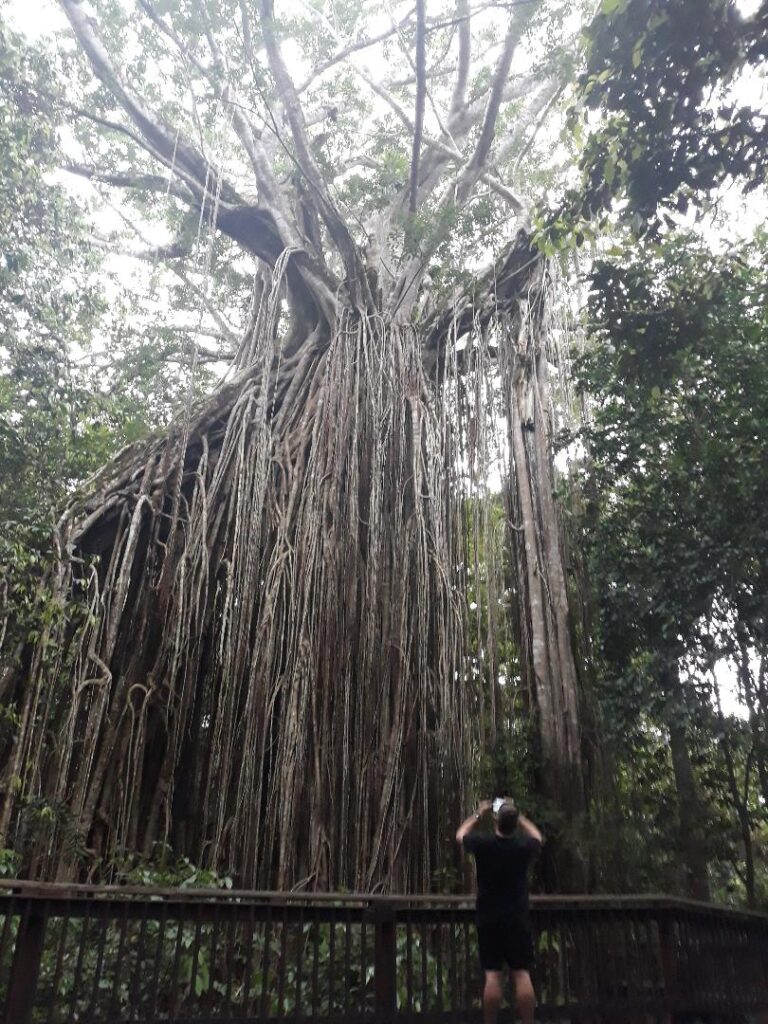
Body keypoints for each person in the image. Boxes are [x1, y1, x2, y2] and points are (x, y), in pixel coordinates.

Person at [456, 798, 542, 1024]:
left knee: (492, 976)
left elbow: (460, 834)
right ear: (514, 823)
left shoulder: (484, 845)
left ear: (495, 821)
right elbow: (537, 837)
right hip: (517, 919)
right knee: (522, 973)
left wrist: (478, 813)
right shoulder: (523, 847)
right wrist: (519, 816)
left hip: (489, 919)